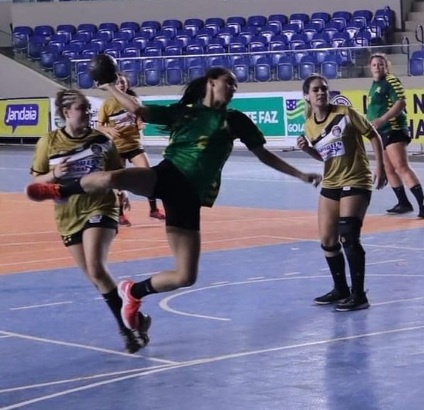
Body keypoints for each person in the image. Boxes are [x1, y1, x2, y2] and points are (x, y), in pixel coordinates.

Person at [26, 67, 322, 333]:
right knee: (113, 177)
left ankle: (134, 291)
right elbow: (139, 110)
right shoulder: (186, 112)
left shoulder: (235, 120)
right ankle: (60, 190)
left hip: (189, 198)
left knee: (185, 276)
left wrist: (299, 174)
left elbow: (264, 155)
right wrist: (109, 87)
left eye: (235, 85)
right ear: (211, 82)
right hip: (167, 176)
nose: (233, 88)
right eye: (227, 82)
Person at [28, 89, 150, 353]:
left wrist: (122, 191)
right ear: (66, 113)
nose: (87, 113)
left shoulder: (101, 141)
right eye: (82, 108)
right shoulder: (48, 143)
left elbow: (115, 172)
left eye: (88, 108)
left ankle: (126, 330)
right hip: (67, 214)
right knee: (96, 278)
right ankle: (137, 319)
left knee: (96, 267)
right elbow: (36, 181)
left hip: (100, 206)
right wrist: (53, 174)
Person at [297, 73, 386, 311]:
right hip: (331, 182)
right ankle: (341, 289)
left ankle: (359, 296)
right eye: (315, 90)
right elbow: (325, 156)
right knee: (327, 240)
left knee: (347, 235)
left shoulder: (344, 113)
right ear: (307, 96)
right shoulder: (308, 124)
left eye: (324, 89)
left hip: (356, 179)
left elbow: (373, 135)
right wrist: (308, 151)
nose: (321, 93)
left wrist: (382, 167)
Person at [96, 72, 165, 226]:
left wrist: (140, 125)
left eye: (124, 82)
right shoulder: (107, 105)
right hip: (117, 148)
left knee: (149, 174)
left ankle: (153, 209)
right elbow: (99, 126)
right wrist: (109, 130)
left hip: (134, 145)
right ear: (114, 85)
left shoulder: (133, 101)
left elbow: (139, 120)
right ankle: (120, 214)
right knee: (119, 181)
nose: (122, 84)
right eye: (119, 82)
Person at [366, 53, 424, 217]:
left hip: (393, 129)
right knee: (389, 169)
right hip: (381, 133)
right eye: (374, 65)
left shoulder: (390, 80)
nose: (377, 67)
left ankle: (422, 203)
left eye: (381, 64)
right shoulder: (374, 84)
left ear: (387, 66)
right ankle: (403, 203)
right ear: (370, 68)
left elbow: (401, 101)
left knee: (401, 167)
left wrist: (383, 119)